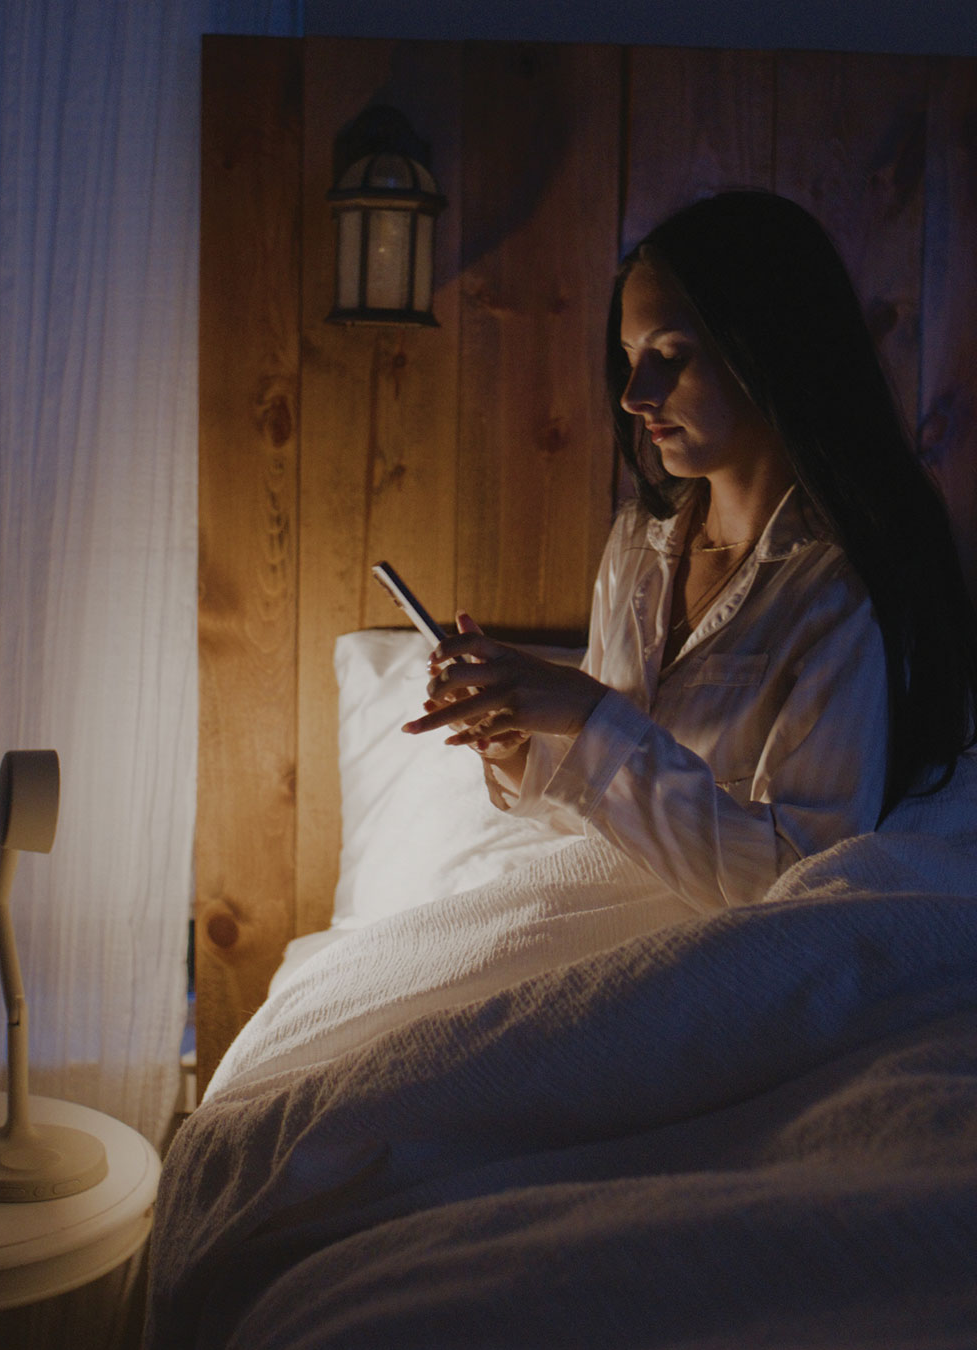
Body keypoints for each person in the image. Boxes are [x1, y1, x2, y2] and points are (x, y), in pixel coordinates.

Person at [403, 190, 977, 911]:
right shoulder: (638, 549)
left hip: (752, 941)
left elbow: (801, 883)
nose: (635, 396)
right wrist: (517, 739)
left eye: (671, 356)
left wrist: (588, 714)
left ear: (766, 350)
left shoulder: (837, 589)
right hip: (606, 905)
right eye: (630, 358)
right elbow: (600, 806)